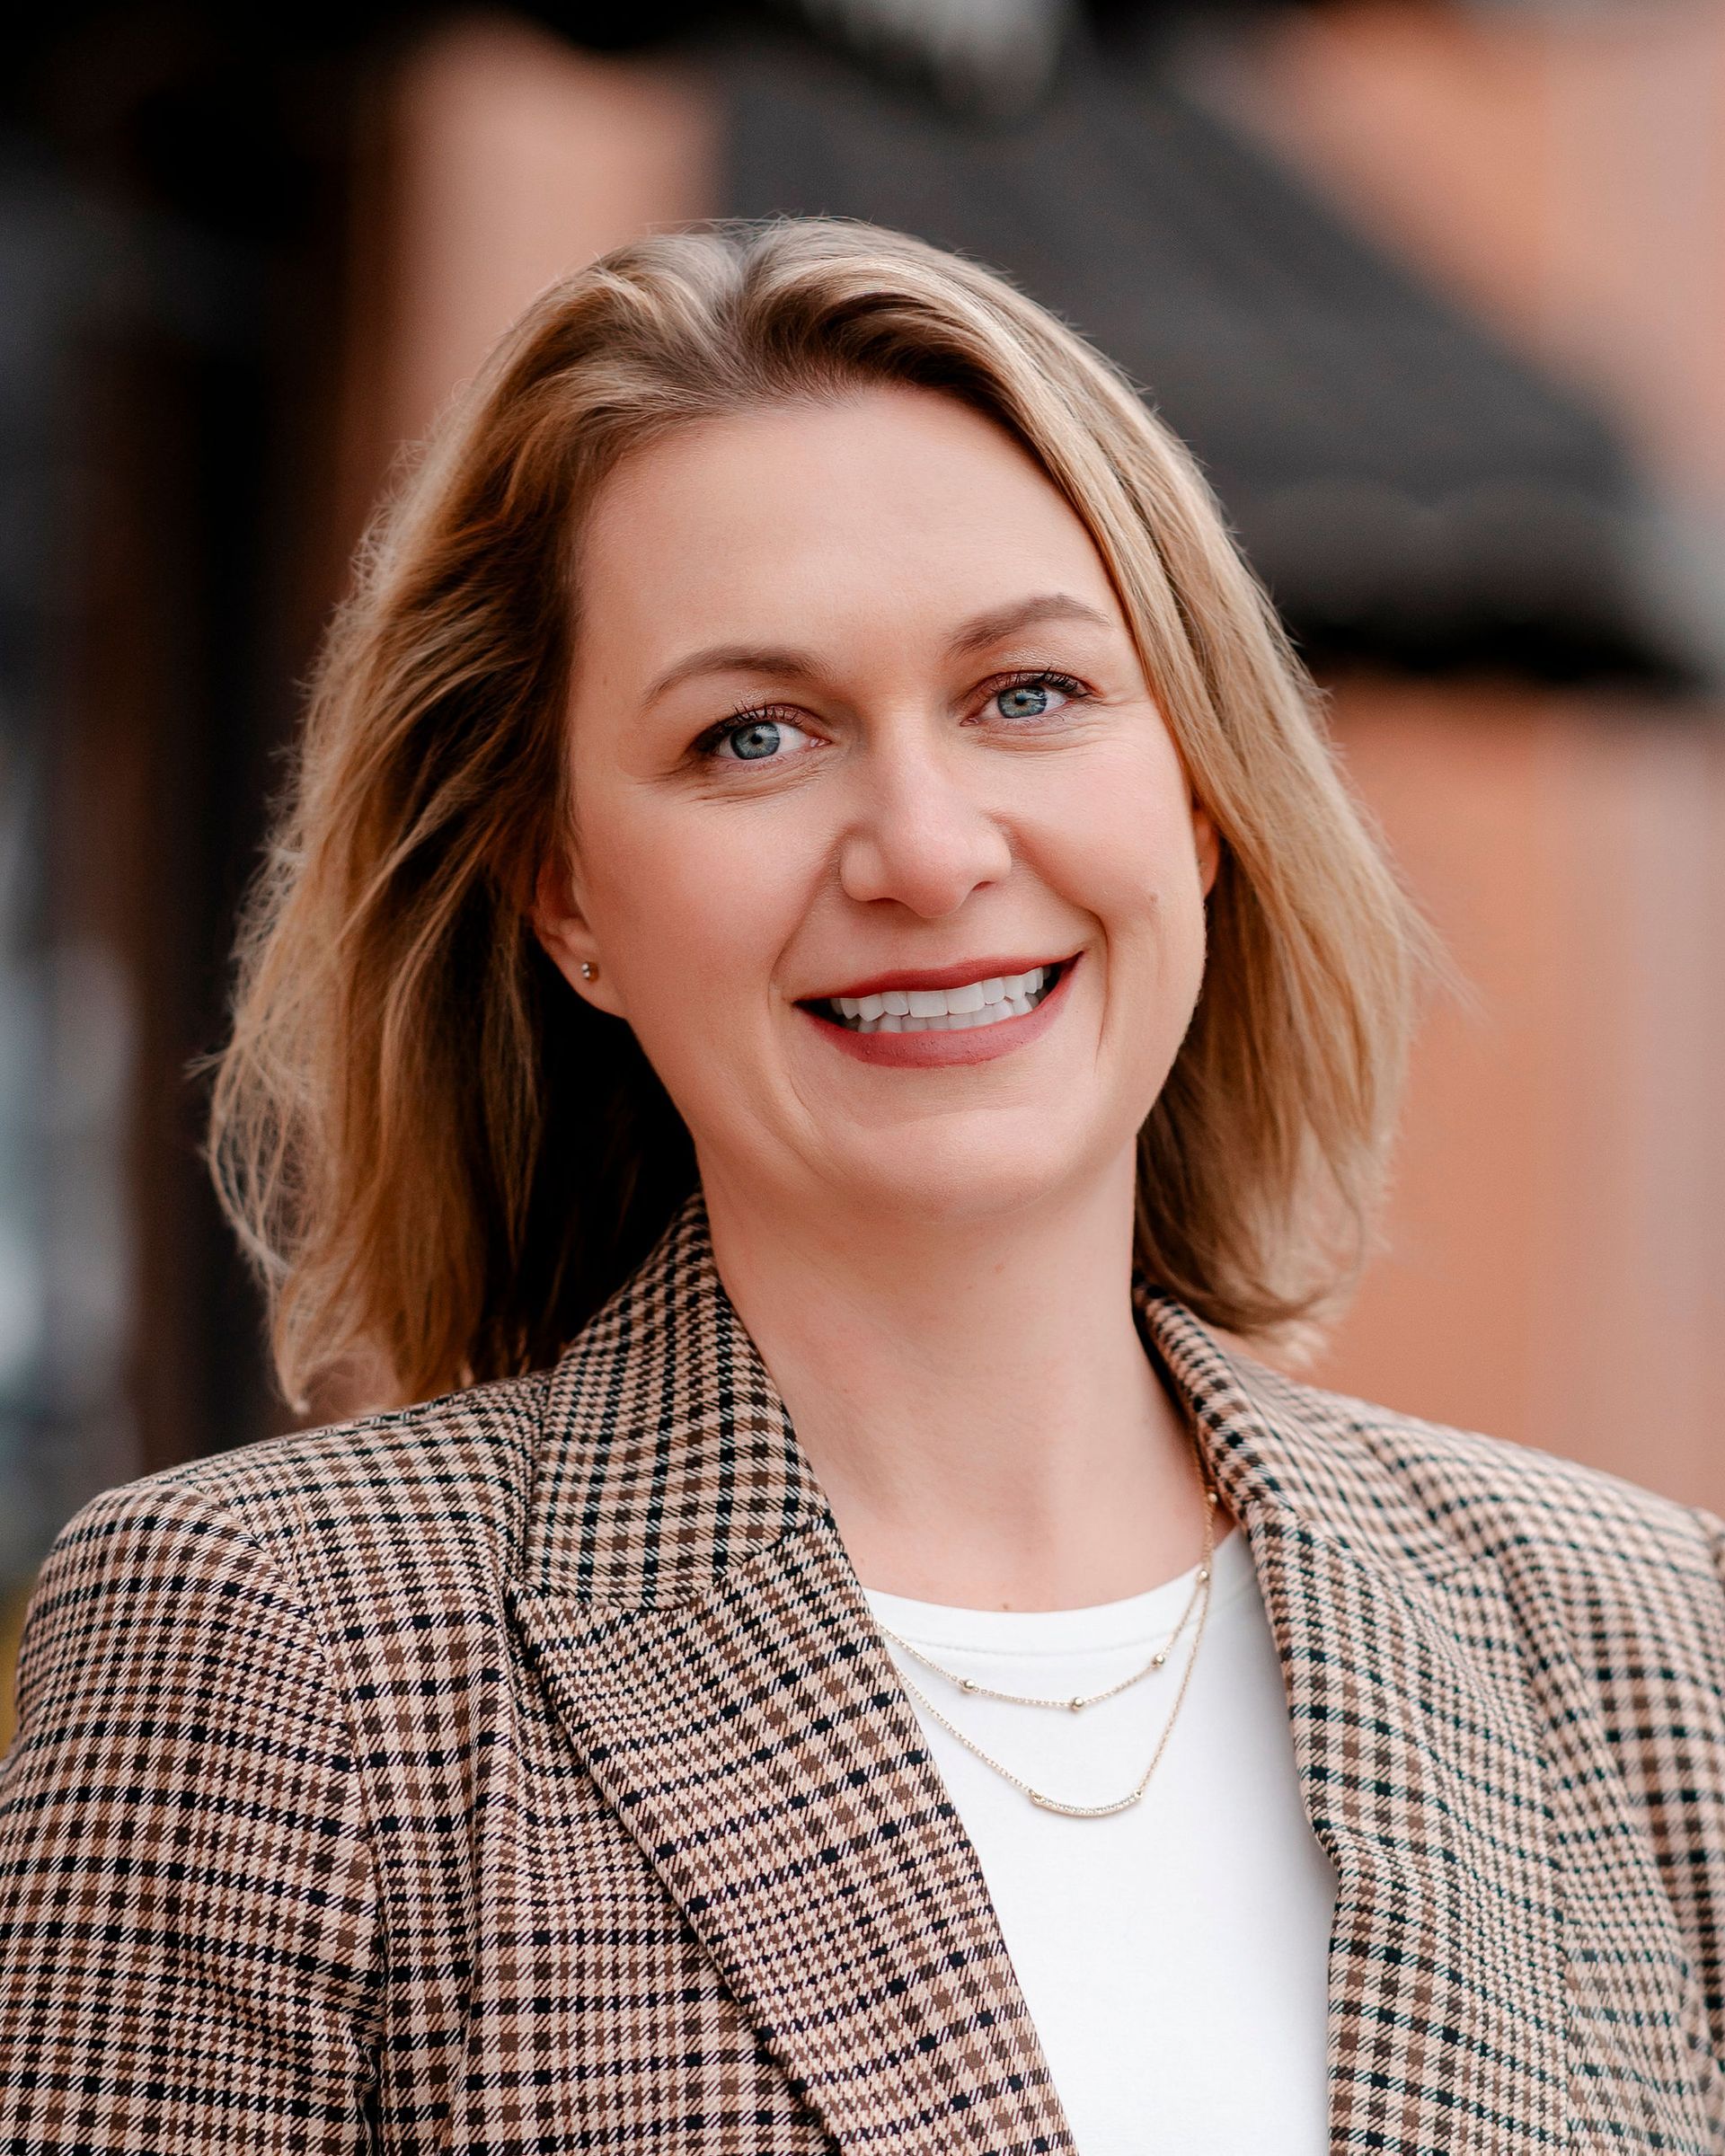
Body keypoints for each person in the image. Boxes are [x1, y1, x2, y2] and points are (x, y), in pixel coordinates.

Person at [2, 216, 1722, 2156]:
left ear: (1204, 796)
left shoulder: (1640, 1640)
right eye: (755, 736)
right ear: (564, 896)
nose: (923, 847)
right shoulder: (282, 1644)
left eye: (1030, 696)